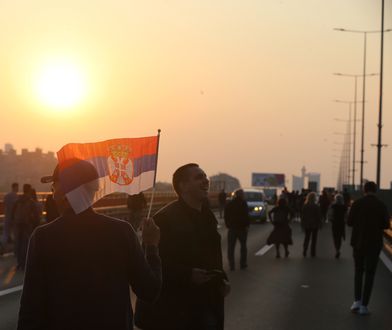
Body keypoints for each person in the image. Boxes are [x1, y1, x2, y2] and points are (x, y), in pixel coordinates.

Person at [17, 159, 162, 330]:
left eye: (53, 188)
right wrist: (151, 246)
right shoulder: (122, 232)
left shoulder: (43, 237)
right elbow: (149, 291)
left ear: (65, 190)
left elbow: (30, 308)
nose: (53, 194)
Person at [135, 163, 230, 330]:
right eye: (199, 177)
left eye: (205, 177)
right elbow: (150, 264)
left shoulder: (207, 216)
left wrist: (221, 280)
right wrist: (187, 275)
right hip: (174, 310)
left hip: (206, 304)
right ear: (182, 185)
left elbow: (211, 257)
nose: (206, 181)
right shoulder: (164, 219)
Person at [347, 181, 390, 315]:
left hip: (358, 243)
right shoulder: (381, 205)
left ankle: (357, 301)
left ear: (364, 190)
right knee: (370, 274)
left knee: (358, 271)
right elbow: (386, 225)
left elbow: (349, 222)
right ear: (375, 190)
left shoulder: (357, 204)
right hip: (374, 244)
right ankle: (364, 306)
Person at [12, 184, 39, 270]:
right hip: (27, 225)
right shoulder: (30, 201)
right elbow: (36, 215)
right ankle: (25, 263)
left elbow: (13, 213)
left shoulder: (18, 200)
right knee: (26, 244)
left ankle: (19, 263)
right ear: (30, 190)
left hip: (17, 224)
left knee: (18, 243)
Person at [224, 189, 250, 270]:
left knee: (231, 248)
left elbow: (226, 215)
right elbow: (246, 215)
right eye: (243, 194)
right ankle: (243, 264)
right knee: (243, 247)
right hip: (242, 228)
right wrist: (247, 225)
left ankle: (232, 265)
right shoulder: (243, 203)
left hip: (232, 228)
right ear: (241, 195)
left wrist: (228, 224)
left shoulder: (230, 204)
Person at [301, 192, 322, 257]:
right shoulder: (316, 206)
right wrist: (320, 223)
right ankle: (313, 252)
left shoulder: (305, 206)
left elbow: (303, 216)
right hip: (315, 224)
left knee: (307, 237)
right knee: (314, 239)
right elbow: (318, 216)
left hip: (307, 224)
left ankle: (305, 249)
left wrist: (302, 224)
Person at [327, 194, 347, 259]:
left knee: (335, 237)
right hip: (341, 223)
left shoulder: (333, 206)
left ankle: (337, 249)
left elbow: (330, 214)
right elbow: (346, 215)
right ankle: (338, 248)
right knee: (340, 236)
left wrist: (330, 219)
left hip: (335, 223)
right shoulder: (344, 207)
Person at [1, 182, 19, 254]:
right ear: (14, 187)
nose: (18, 189)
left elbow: (4, 204)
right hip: (14, 217)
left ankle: (2, 247)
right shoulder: (16, 196)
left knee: (6, 232)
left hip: (7, 216)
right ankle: (16, 250)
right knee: (15, 233)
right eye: (17, 187)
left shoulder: (7, 196)